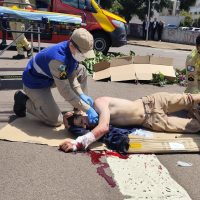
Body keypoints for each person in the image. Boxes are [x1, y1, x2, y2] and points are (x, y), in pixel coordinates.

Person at [60, 92, 200, 152]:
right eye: (83, 126)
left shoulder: (99, 103)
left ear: (82, 110)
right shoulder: (95, 122)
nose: (86, 124)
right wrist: (70, 125)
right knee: (194, 127)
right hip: (152, 120)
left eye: (81, 120)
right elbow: (101, 130)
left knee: (191, 99)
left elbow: (103, 128)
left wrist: (78, 143)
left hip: (152, 102)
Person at [13, 28, 99, 127]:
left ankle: (78, 107)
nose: (84, 56)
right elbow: (64, 90)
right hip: (35, 84)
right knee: (55, 120)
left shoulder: (73, 51)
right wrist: (88, 109)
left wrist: (81, 94)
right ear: (72, 45)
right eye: (83, 53)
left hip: (50, 78)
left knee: (82, 70)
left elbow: (71, 75)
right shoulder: (58, 60)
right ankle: (23, 100)